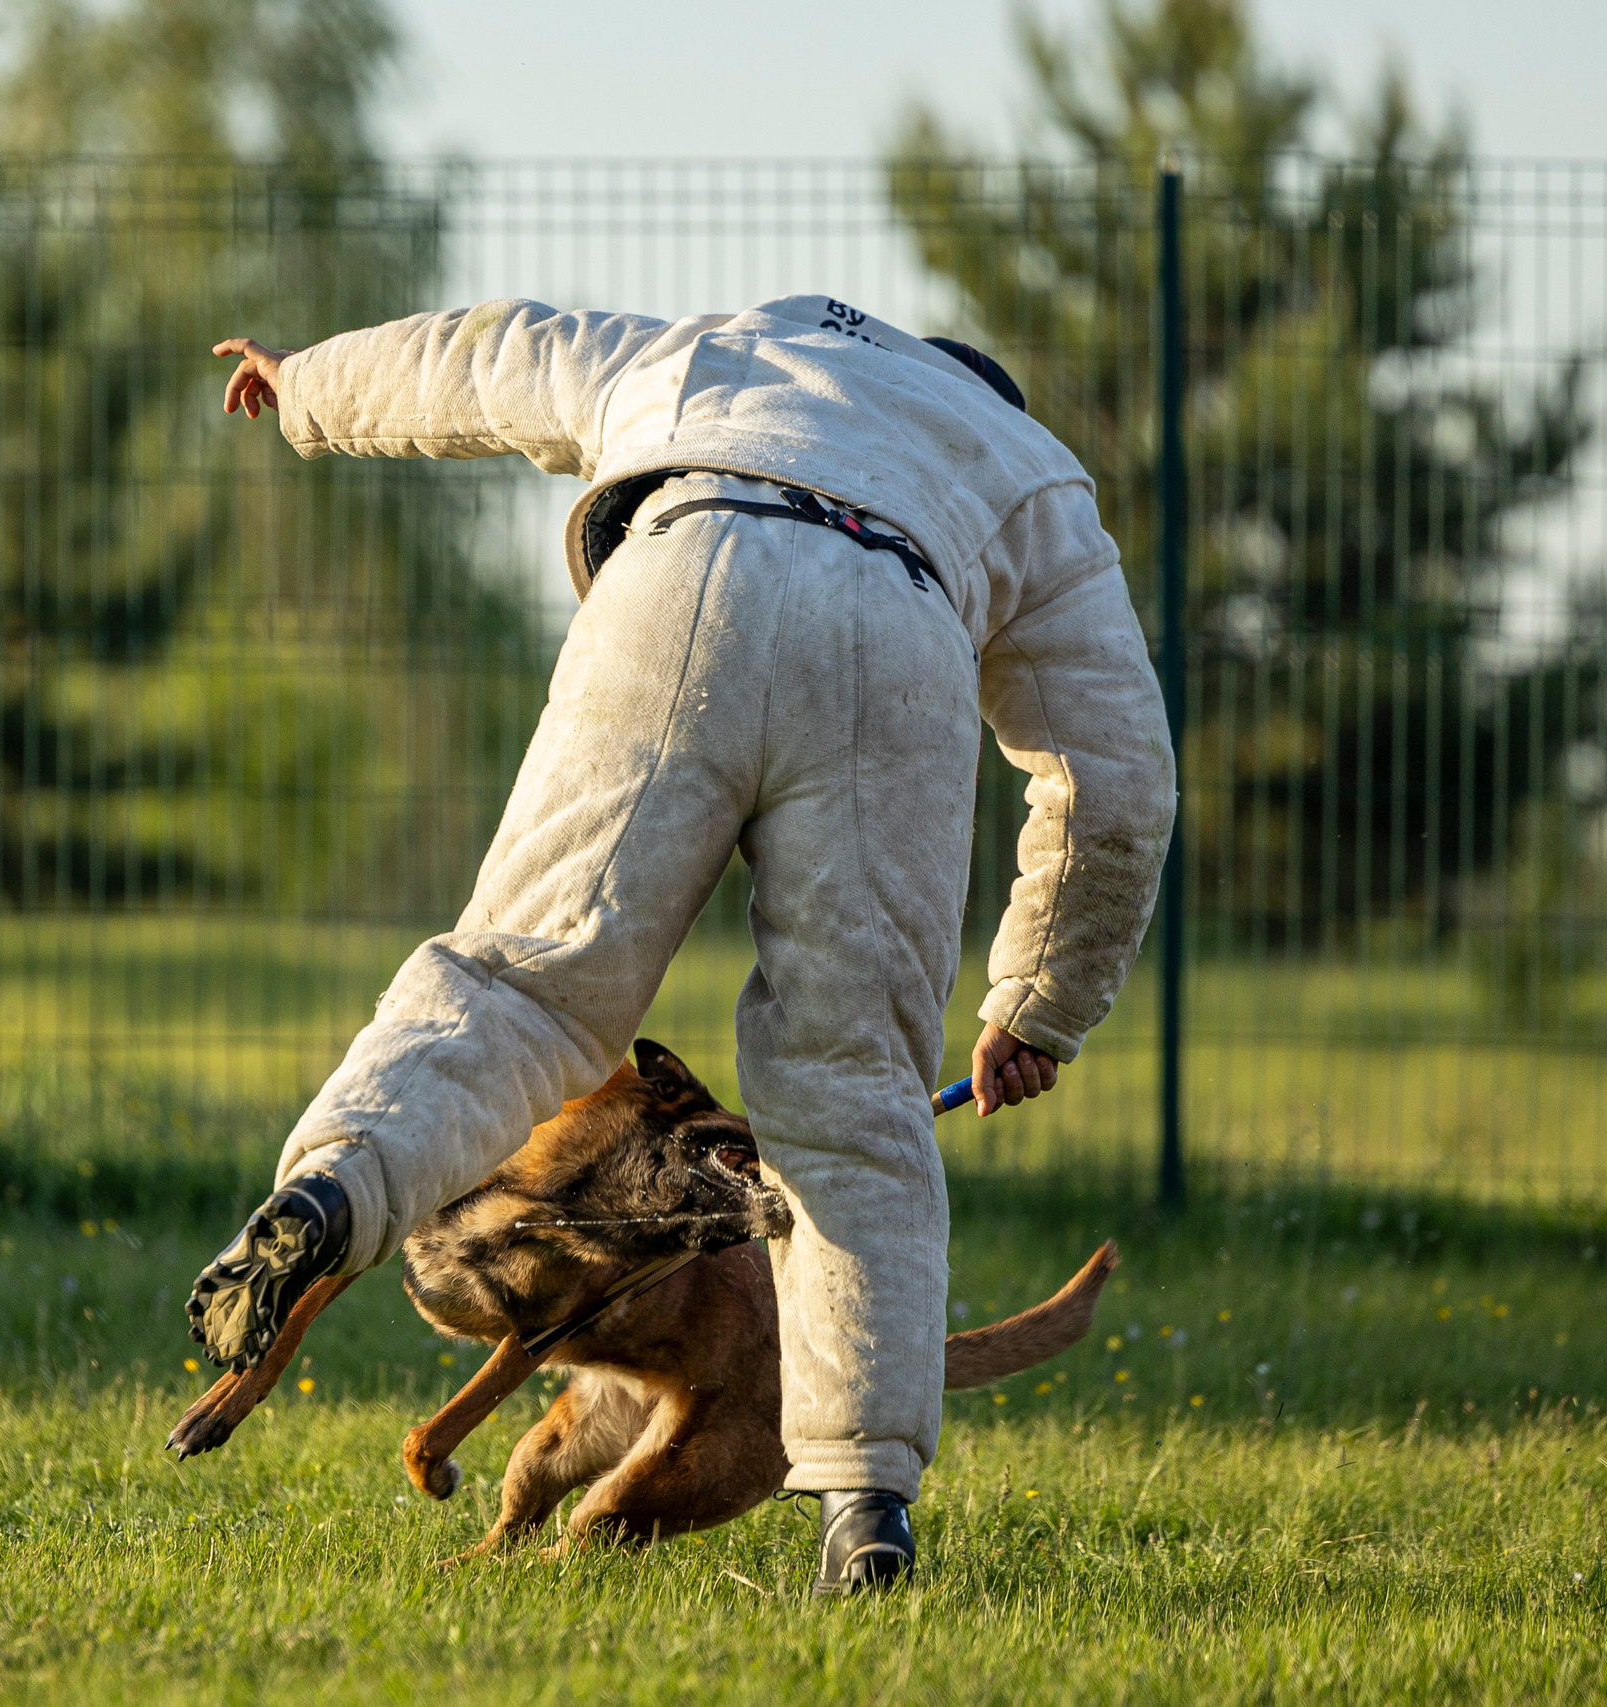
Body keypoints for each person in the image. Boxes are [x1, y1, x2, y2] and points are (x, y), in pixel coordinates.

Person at [186, 297, 1174, 1594]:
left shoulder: (722, 341)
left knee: (520, 983)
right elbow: (1116, 778)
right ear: (983, 389)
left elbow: (492, 352)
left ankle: (331, 1189)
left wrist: (305, 380)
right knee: (855, 1093)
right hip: (899, 619)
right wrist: (1041, 1001)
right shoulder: (1026, 463)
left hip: (682, 562)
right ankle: (866, 1512)